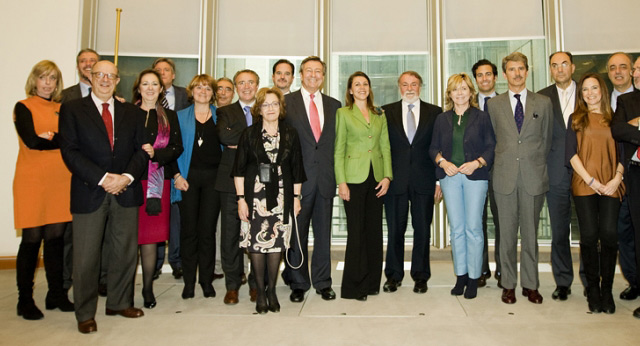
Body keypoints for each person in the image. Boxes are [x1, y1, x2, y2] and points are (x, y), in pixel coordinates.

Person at [59, 60, 147, 334]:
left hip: (125, 190)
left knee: (124, 252)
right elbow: (70, 151)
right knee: (85, 257)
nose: (106, 80)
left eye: (111, 76)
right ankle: (85, 313)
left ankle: (119, 302)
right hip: (90, 190)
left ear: (118, 80)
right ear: (90, 76)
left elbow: (142, 150)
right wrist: (103, 178)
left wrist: (126, 177)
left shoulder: (131, 112)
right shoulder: (73, 109)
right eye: (100, 75)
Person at [487, 52, 553, 305]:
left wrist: (533, 163)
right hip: (504, 177)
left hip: (533, 177)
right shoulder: (494, 105)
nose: (516, 73)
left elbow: (545, 141)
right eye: (512, 69)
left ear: (527, 71)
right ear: (504, 74)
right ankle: (508, 284)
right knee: (506, 234)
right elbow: (493, 141)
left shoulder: (543, 103)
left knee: (530, 233)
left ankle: (531, 284)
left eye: (521, 69)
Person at [232, 87, 305, 314]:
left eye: (274, 104)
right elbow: (238, 171)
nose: (270, 108)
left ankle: (272, 290)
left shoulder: (291, 133)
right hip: (255, 198)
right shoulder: (249, 134)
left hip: (283, 199)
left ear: (280, 107)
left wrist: (296, 198)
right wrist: (241, 200)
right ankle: (260, 292)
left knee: (276, 244)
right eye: (266, 104)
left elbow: (297, 170)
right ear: (259, 109)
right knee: (256, 244)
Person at [13, 60, 74, 320]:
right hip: (33, 181)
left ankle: (56, 294)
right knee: (31, 240)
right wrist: (56, 140)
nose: (47, 83)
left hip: (61, 180)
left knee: (56, 241)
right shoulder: (23, 106)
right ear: (34, 81)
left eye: (52, 78)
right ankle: (24, 299)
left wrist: (54, 137)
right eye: (43, 78)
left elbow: (71, 141)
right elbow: (32, 141)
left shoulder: (63, 109)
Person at [429, 73, 495, 299]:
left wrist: (477, 163)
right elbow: (433, 148)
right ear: (449, 94)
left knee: (473, 229)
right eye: (455, 89)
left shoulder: (482, 117)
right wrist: (442, 162)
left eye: (464, 89)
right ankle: (461, 276)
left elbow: (491, 146)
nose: (460, 93)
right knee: (456, 230)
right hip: (450, 178)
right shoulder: (442, 119)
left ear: (471, 92)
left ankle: (475, 278)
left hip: (475, 178)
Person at [283, 56, 341, 302]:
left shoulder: (335, 104)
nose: (314, 75)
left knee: (323, 234)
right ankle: (298, 283)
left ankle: (322, 281)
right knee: (297, 234)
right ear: (300, 74)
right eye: (309, 70)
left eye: (319, 71)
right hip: (297, 181)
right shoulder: (286, 103)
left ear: (324, 77)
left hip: (326, 179)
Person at [566, 73, 623, 314]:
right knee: (589, 237)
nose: (590, 93)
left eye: (594, 88)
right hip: (584, 185)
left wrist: (616, 178)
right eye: (585, 90)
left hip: (611, 184)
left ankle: (607, 290)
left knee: (609, 236)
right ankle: (593, 290)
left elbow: (623, 152)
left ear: (603, 90)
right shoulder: (576, 119)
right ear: (581, 95)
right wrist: (591, 180)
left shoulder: (615, 119)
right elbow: (571, 154)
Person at [381, 71, 442, 294]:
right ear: (399, 87)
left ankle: (421, 276)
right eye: (405, 84)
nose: (409, 88)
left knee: (422, 230)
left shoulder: (435, 112)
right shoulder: (385, 112)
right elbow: (381, 147)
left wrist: (439, 181)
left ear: (420, 86)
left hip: (424, 180)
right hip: (394, 181)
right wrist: (384, 176)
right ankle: (393, 276)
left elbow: (439, 146)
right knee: (395, 230)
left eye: (414, 84)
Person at [335, 71, 392, 301]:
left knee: (374, 232)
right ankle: (353, 287)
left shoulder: (379, 114)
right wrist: (341, 182)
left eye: (365, 84)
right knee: (356, 232)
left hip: (376, 178)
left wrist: (387, 176)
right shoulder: (343, 113)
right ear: (350, 90)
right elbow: (339, 149)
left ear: (370, 88)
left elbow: (385, 147)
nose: (361, 87)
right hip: (353, 179)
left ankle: (371, 283)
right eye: (356, 84)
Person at [131, 69, 183, 308]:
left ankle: (148, 289)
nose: (150, 88)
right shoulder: (127, 113)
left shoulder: (169, 117)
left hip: (157, 184)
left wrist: (157, 153)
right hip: (130, 183)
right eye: (145, 84)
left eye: (155, 84)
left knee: (151, 240)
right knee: (129, 239)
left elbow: (176, 148)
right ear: (138, 88)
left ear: (161, 89)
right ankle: (124, 288)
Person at [171, 74, 220, 299]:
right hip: (186, 181)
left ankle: (206, 281)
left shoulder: (222, 116)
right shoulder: (179, 117)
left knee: (207, 232)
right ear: (191, 91)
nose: (203, 91)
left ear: (213, 93)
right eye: (198, 87)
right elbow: (169, 149)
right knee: (189, 232)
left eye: (207, 88)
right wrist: (176, 175)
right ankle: (189, 282)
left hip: (213, 181)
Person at [537, 51, 579, 301]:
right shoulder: (542, 97)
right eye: (554, 65)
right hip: (554, 173)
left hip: (587, 172)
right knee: (560, 230)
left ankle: (590, 279)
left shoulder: (589, 92)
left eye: (564, 64)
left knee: (589, 229)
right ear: (550, 69)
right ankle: (563, 281)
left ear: (572, 67)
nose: (560, 69)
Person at [216, 69, 260, 305]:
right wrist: (253, 139)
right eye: (241, 83)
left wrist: (239, 139)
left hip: (260, 182)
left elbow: (272, 138)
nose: (246, 86)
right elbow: (224, 136)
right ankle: (232, 285)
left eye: (250, 82)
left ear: (257, 85)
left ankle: (256, 284)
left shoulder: (266, 109)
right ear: (235, 87)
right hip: (230, 181)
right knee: (230, 235)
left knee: (257, 235)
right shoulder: (224, 111)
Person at [60, 48, 100, 294]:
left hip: (105, 175)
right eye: (83, 61)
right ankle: (66, 281)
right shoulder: (65, 97)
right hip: (75, 171)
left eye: (92, 61)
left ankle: (101, 280)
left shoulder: (114, 100)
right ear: (78, 67)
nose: (88, 65)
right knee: (70, 233)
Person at [153, 57, 190, 280]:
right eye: (158, 70)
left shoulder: (185, 95)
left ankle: (176, 261)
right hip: (154, 165)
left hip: (178, 161)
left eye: (166, 70)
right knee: (156, 215)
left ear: (173, 74)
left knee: (176, 218)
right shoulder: (145, 98)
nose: (163, 73)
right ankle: (155, 262)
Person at [607, 52, 638, 301]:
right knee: (622, 232)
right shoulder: (605, 98)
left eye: (624, 67)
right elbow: (617, 130)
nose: (619, 71)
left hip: (633, 172)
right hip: (613, 178)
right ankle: (634, 281)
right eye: (613, 67)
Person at [472, 59, 501, 287]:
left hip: (502, 171)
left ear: (496, 77)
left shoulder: (506, 103)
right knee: (476, 222)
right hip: (475, 173)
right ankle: (480, 269)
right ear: (476, 79)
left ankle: (503, 269)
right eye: (480, 75)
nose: (484, 78)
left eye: (488, 74)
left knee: (503, 222)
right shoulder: (467, 106)